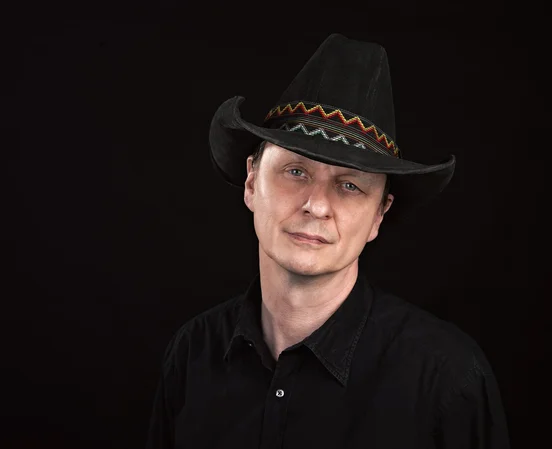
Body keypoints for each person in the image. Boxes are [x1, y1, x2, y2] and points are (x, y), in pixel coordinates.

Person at [146, 34, 510, 448]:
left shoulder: (446, 377)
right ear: (251, 181)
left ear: (379, 215)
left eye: (350, 185)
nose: (317, 206)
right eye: (296, 171)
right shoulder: (193, 353)